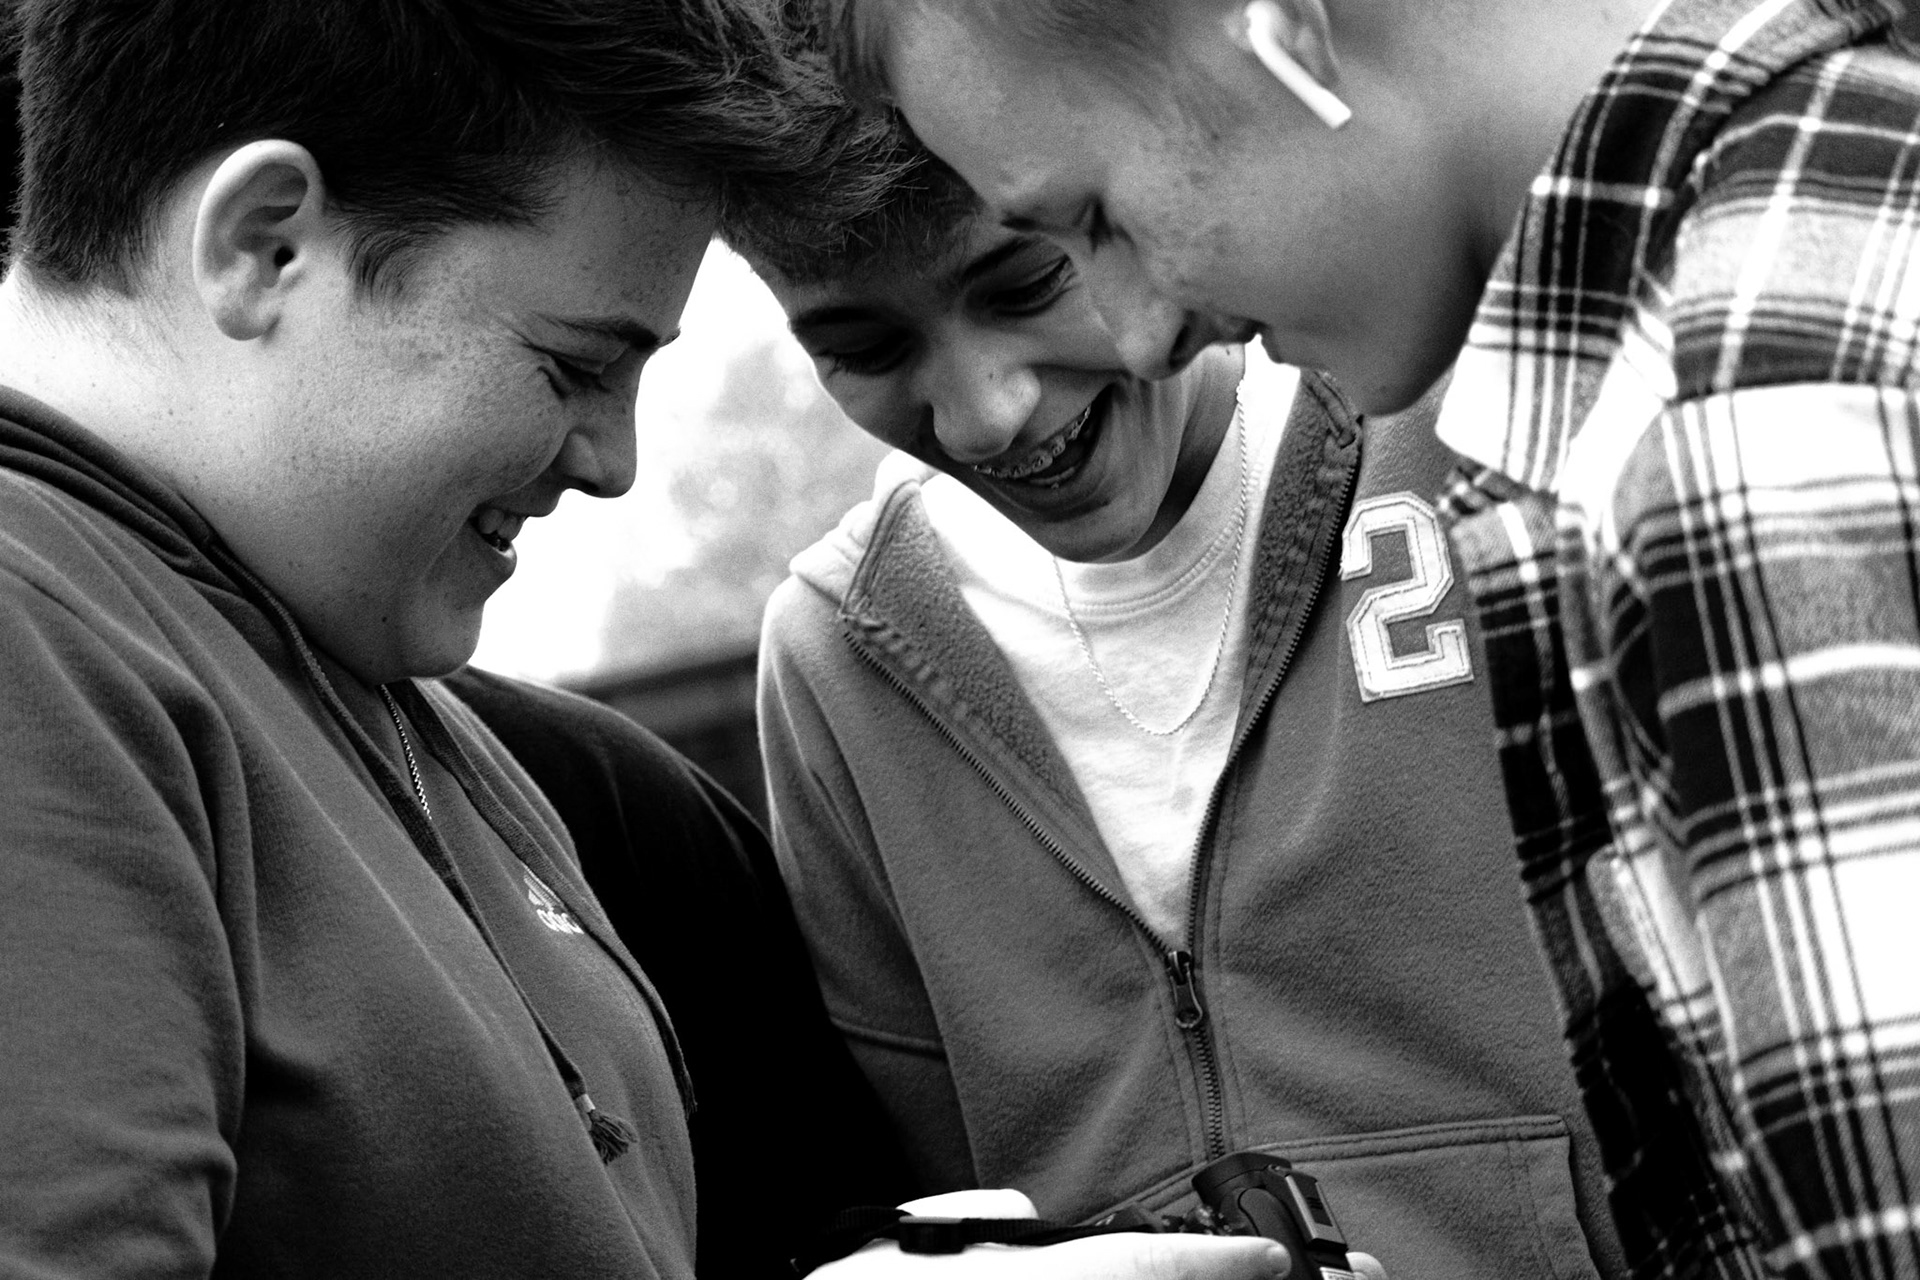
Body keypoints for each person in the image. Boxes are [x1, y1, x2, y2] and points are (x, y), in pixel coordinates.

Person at [816, 0, 1920, 1276]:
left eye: (1093, 220)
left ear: (1282, 25)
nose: (1144, 329)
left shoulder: (1728, 419)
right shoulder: (1844, 196)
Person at [726, 101, 1631, 1280]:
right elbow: (943, 1205)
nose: (983, 409)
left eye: (1023, 283)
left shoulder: (1474, 446)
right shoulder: (837, 659)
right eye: (866, 347)